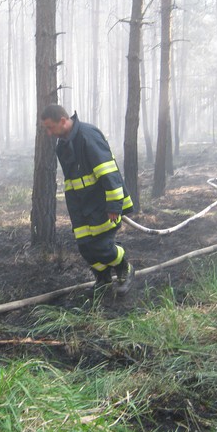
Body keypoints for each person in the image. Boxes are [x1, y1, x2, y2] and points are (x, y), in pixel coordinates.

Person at [41, 104, 134, 293]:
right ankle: (103, 279)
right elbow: (73, 180)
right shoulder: (63, 145)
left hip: (102, 204)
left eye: (50, 127)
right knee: (86, 248)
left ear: (63, 120)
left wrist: (115, 205)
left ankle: (125, 267)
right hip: (81, 207)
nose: (49, 133)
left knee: (102, 247)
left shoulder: (88, 136)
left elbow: (108, 173)